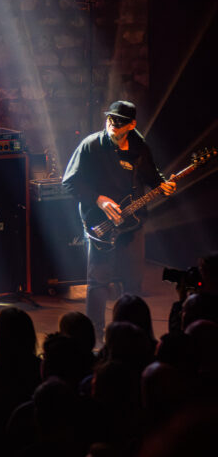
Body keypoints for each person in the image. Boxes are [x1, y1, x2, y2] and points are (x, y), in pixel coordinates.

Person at [62, 100, 176, 339]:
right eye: (110, 119)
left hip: (132, 223)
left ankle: (128, 335)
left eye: (120, 122)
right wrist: (98, 199)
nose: (113, 125)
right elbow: (70, 182)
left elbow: (152, 177)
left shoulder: (139, 147)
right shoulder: (91, 145)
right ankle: (94, 335)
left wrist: (164, 186)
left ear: (131, 125)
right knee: (98, 281)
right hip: (100, 222)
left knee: (132, 282)